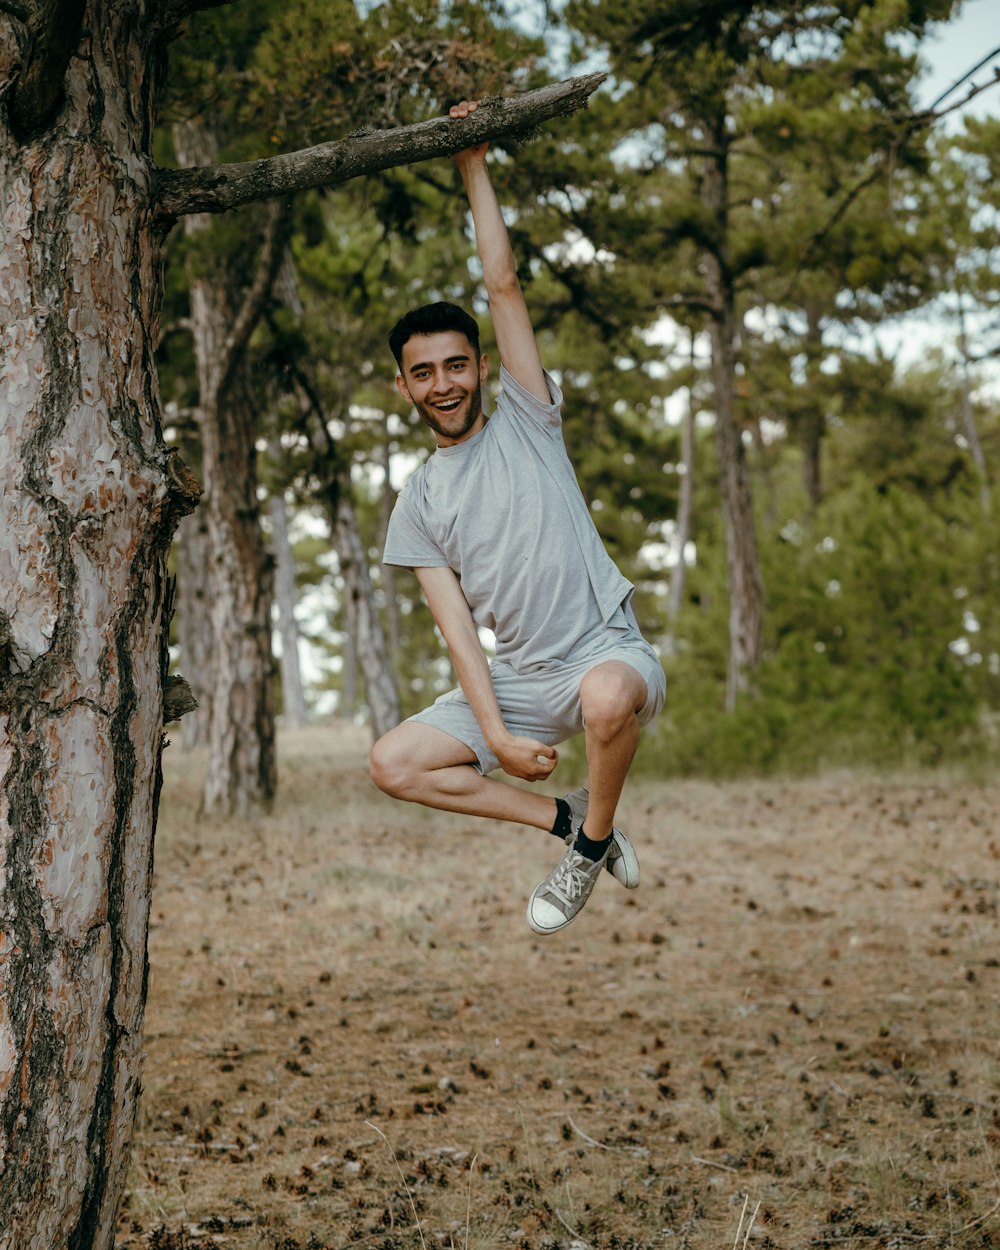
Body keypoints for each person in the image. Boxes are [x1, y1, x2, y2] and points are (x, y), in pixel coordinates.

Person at [369, 99, 665, 935]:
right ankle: (572, 823)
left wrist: (473, 163)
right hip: (519, 680)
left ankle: (584, 857)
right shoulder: (419, 501)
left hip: (605, 650)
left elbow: (502, 283)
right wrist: (495, 733)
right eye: (423, 373)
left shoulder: (529, 421)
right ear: (405, 387)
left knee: (609, 700)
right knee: (394, 763)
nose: (444, 384)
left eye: (456, 365)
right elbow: (458, 633)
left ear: (485, 368)